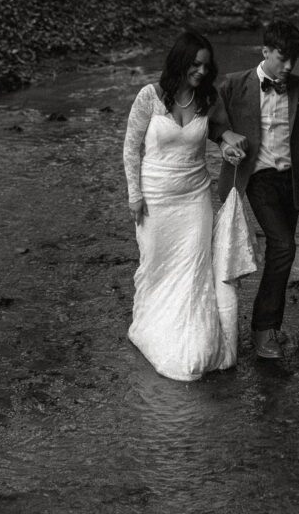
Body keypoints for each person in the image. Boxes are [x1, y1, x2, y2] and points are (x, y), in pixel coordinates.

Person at [122, 30, 247, 382]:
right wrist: (135, 195)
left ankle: (195, 343)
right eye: (195, 64)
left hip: (195, 199)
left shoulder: (207, 98)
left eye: (206, 66)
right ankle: (154, 329)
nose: (201, 72)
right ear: (180, 62)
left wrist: (228, 146)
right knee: (156, 268)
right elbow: (131, 148)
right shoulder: (149, 97)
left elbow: (220, 134)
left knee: (193, 271)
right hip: (156, 200)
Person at [218, 19, 299, 359]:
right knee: (284, 247)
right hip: (257, 178)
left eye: (293, 60)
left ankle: (271, 327)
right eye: (281, 58)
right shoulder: (234, 85)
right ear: (264, 51)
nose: (288, 67)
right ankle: (263, 330)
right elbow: (210, 121)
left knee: (280, 254)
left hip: (291, 181)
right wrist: (224, 142)